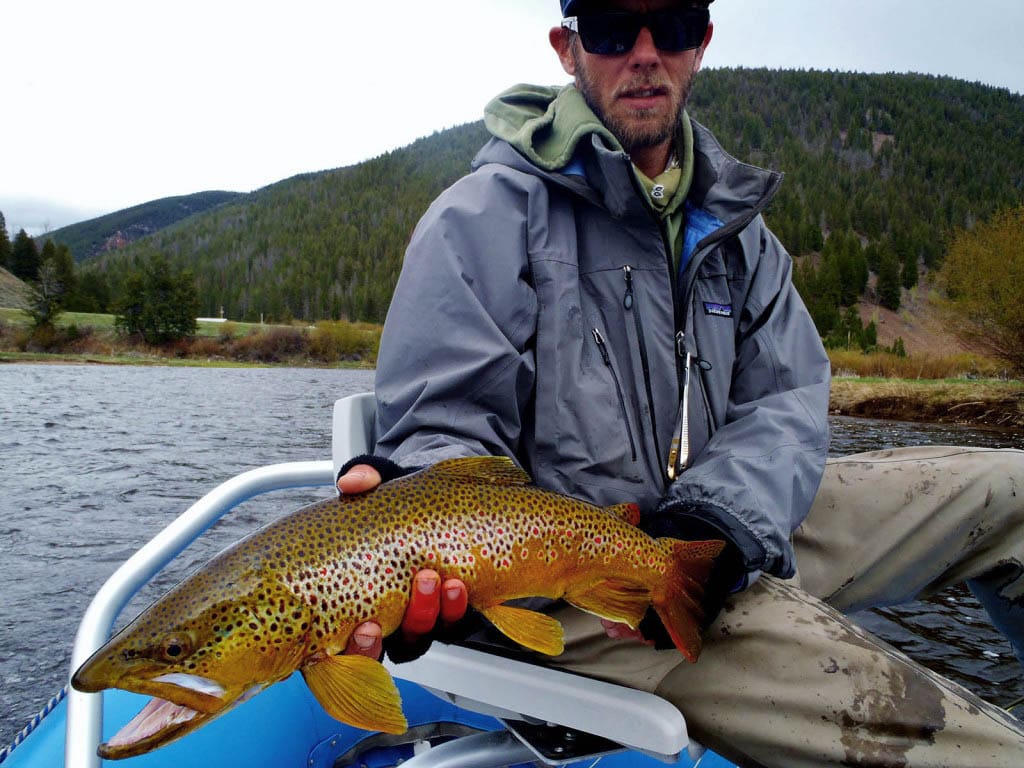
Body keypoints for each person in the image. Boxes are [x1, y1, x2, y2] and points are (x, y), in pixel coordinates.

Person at [336, 1, 1024, 765]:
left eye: (667, 24)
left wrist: (719, 523)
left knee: (1018, 493)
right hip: (578, 599)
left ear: (700, 44)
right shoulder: (481, 216)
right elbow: (448, 423)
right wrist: (414, 496)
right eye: (608, 29)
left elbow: (786, 402)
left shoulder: (739, 230)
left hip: (724, 527)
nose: (642, 53)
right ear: (567, 49)